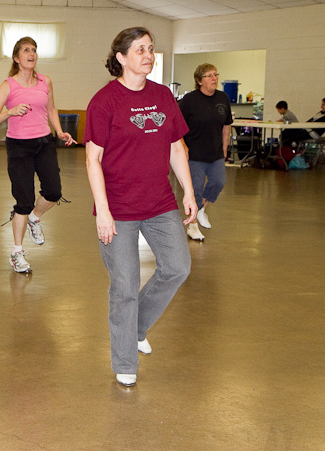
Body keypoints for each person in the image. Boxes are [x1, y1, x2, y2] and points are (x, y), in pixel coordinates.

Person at [84, 27, 196, 387]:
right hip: (118, 207)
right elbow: (93, 159)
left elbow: (176, 148)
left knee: (178, 267)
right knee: (125, 286)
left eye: (150, 49)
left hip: (160, 202)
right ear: (121, 58)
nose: (148, 56)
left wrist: (188, 192)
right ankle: (125, 362)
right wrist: (103, 210)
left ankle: (135, 327)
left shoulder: (162, 95)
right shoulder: (105, 101)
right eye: (139, 50)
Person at [0, 36, 76, 273]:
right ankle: (17, 252)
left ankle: (35, 219)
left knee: (54, 191)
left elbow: (51, 109)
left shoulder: (46, 81)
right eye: (26, 50)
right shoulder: (8, 85)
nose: (31, 54)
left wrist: (59, 131)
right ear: (16, 58)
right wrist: (10, 111)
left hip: (44, 142)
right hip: (19, 147)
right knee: (24, 202)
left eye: (34, 50)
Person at [178, 64, 233, 241]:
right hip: (194, 154)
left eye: (215, 74)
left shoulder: (223, 98)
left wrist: (225, 147)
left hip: (215, 152)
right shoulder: (189, 100)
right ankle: (193, 226)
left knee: (218, 182)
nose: (214, 78)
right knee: (195, 190)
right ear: (199, 80)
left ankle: (201, 209)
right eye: (209, 76)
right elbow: (177, 124)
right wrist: (183, 145)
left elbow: (226, 125)